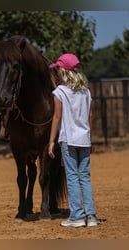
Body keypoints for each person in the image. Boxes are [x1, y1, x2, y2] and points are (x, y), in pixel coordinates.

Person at [48, 53, 99, 227]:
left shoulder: (60, 92)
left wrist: (51, 141)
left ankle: (77, 216)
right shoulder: (86, 92)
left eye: (58, 69)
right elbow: (90, 116)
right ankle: (91, 216)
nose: (57, 72)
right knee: (85, 176)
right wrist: (89, 138)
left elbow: (56, 117)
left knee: (72, 177)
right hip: (84, 139)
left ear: (63, 71)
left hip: (68, 140)